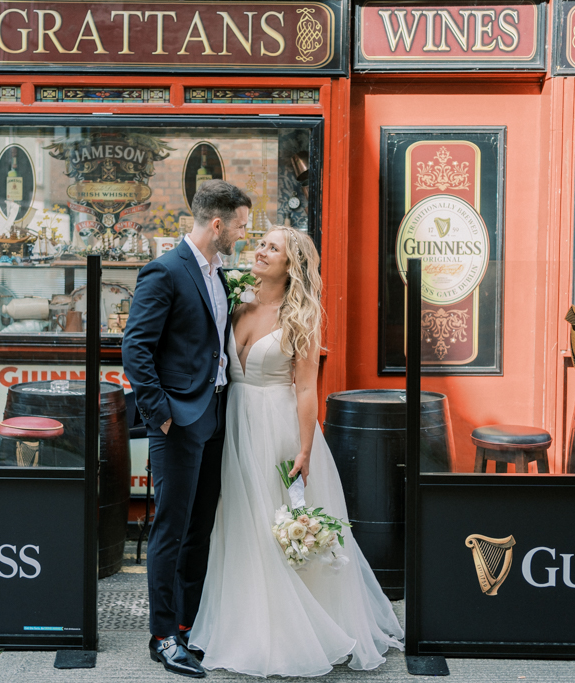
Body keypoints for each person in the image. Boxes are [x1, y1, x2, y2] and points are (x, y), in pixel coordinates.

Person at [189, 226, 405, 677]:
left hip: (279, 428)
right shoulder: (237, 299)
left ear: (292, 265)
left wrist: (305, 450)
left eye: (273, 248)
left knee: (277, 524)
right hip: (235, 424)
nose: (261, 251)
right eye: (262, 243)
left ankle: (301, 627)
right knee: (239, 522)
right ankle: (245, 622)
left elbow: (307, 388)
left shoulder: (300, 316)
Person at [122, 180, 250, 678]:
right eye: (240, 225)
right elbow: (136, 348)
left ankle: (190, 628)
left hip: (214, 417)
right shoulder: (165, 271)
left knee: (199, 529)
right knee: (170, 531)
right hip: (178, 421)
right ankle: (162, 636)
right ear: (217, 223)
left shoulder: (218, 274)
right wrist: (162, 413)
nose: (243, 233)